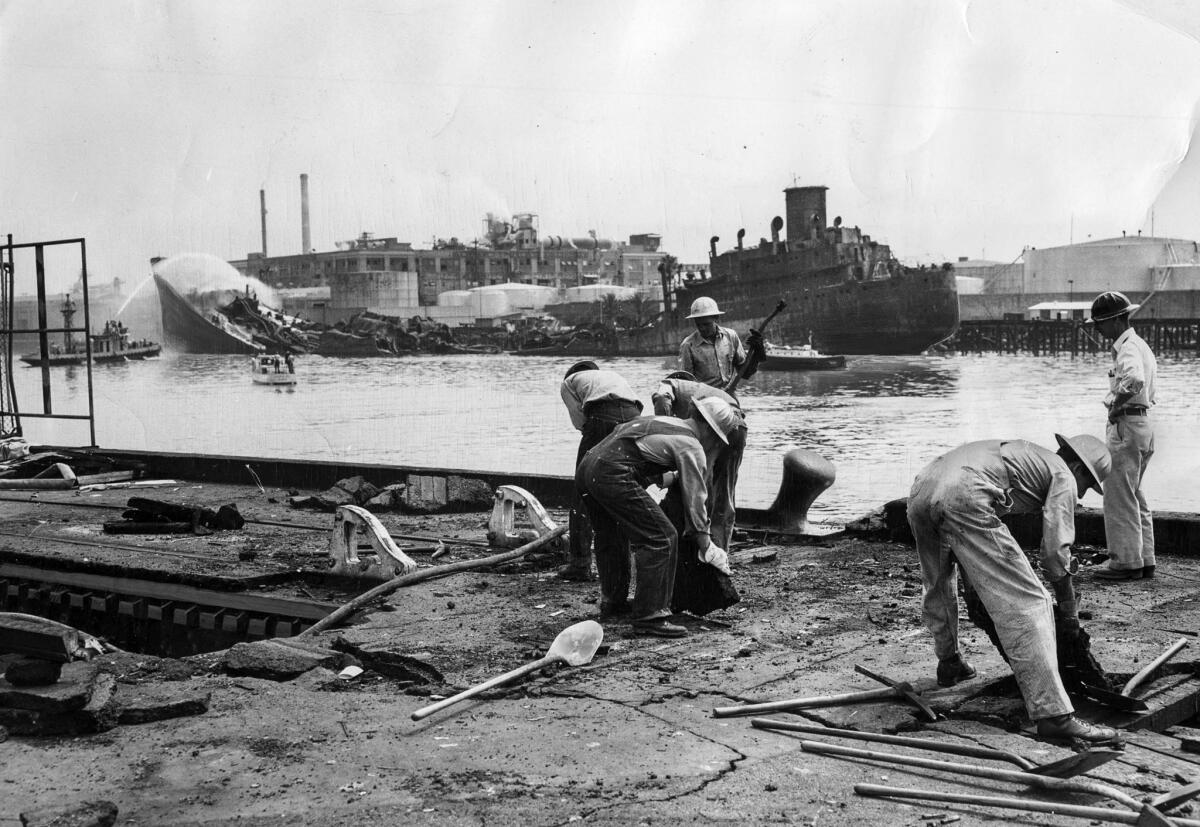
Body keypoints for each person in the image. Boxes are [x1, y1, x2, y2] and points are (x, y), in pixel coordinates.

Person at [907, 434, 1120, 744]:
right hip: (964, 493)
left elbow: (968, 533)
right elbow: (1055, 554)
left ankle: (949, 662)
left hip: (923, 487)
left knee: (938, 582)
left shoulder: (1027, 454)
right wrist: (1069, 609)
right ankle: (1054, 716)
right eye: (1087, 485)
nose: (1082, 494)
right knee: (1031, 602)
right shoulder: (1063, 473)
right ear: (1079, 466)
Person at [576, 397, 740, 637]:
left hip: (588, 467)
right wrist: (707, 545)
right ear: (708, 428)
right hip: (611, 473)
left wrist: (673, 478)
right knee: (661, 537)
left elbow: (636, 459)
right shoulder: (691, 444)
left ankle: (614, 602)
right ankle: (650, 616)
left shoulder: (664, 421)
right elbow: (696, 500)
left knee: (612, 534)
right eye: (715, 438)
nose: (713, 444)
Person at [1087, 291, 1158, 581]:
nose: (1098, 329)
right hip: (1143, 424)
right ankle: (1145, 558)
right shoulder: (1139, 344)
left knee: (1118, 496)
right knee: (1135, 494)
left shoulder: (1127, 347)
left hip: (1127, 425)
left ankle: (1126, 563)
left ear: (1116, 319)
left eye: (1100, 323)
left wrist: (1115, 407)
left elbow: (1134, 381)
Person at [559, 361, 643, 581]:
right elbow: (636, 406)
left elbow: (580, 422)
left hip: (602, 417)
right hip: (634, 417)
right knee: (625, 484)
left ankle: (580, 564)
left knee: (583, 489)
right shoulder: (610, 376)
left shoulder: (568, 383)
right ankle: (636, 557)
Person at [651, 371, 745, 551]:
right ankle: (718, 554)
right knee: (723, 495)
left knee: (696, 482)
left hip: (718, 422)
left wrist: (666, 427)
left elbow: (662, 398)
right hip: (738, 426)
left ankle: (696, 543)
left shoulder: (670, 384)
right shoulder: (703, 389)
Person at [677, 297, 765, 390]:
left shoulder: (731, 336)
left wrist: (757, 353)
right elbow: (684, 385)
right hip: (702, 399)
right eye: (698, 325)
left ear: (716, 318)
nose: (702, 328)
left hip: (728, 395)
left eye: (706, 324)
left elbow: (745, 373)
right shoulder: (688, 345)